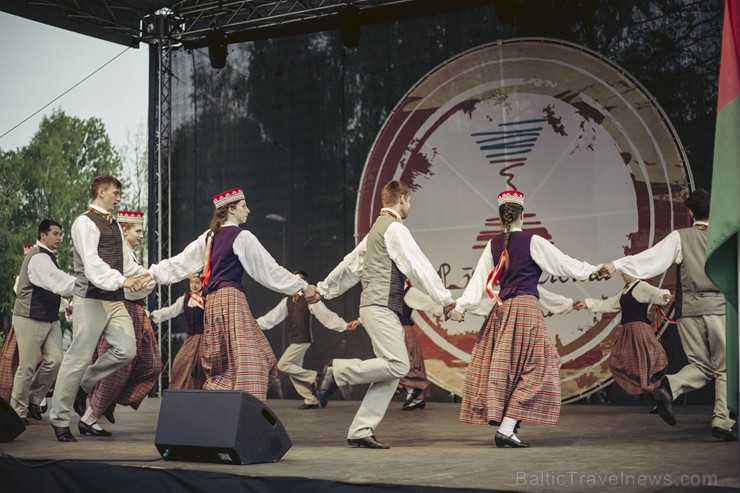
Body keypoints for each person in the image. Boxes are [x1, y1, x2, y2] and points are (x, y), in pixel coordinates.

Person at [312, 180, 455, 449]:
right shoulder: (395, 230)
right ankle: (337, 373)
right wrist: (445, 300)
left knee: (390, 371)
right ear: (402, 198)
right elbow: (419, 267)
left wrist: (324, 289)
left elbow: (350, 266)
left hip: (374, 307)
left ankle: (361, 430)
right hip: (380, 307)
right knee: (399, 365)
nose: (409, 206)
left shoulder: (375, 232)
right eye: (409, 201)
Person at [451, 190, 599, 448]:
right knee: (539, 367)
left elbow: (477, 284)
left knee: (510, 369)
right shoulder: (533, 241)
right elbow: (565, 265)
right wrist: (595, 270)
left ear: (501, 216)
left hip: (503, 310)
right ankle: (507, 427)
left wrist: (461, 307)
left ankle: (508, 425)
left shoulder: (493, 244)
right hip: (527, 309)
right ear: (523, 214)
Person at [144, 187, 319, 401]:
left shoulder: (209, 237)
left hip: (214, 304)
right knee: (251, 359)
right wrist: (302, 286)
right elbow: (269, 271)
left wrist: (151, 274)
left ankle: (223, 407)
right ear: (231, 209)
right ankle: (245, 410)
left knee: (223, 363)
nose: (249, 210)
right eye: (244, 206)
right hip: (231, 300)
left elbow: (180, 262)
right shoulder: (241, 236)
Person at [599, 189, 737, 442]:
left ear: (691, 212)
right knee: (725, 370)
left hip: (689, 312)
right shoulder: (726, 237)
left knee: (701, 366)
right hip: (719, 309)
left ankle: (668, 387)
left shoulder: (680, 237)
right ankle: (721, 421)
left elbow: (650, 261)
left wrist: (617, 264)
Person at [50, 175, 149, 442]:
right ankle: (59, 419)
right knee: (77, 358)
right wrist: (123, 280)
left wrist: (146, 276)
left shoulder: (114, 224)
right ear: (101, 191)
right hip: (91, 298)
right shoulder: (84, 222)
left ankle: (85, 384)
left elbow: (124, 265)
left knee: (127, 350)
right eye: (115, 193)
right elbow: (93, 265)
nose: (118, 197)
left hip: (115, 300)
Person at [81, 211, 161, 434]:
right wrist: (154, 276)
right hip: (124, 310)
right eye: (138, 231)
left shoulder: (129, 254)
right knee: (118, 368)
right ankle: (90, 417)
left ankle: (107, 402)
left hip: (137, 311)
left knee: (151, 365)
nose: (141, 235)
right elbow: (136, 284)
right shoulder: (121, 254)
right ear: (124, 230)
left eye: (142, 231)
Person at [256, 270, 360, 409]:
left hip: (302, 339)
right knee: (295, 371)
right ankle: (311, 400)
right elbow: (272, 317)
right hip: (294, 339)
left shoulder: (309, 299)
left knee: (283, 365)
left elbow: (325, 315)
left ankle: (314, 377)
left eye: (297, 280)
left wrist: (343, 325)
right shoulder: (287, 300)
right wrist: (254, 324)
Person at [11, 221, 75, 425]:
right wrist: (83, 285)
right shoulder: (38, 256)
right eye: (55, 234)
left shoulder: (48, 257)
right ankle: (16, 413)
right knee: (27, 367)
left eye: (60, 234)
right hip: (29, 317)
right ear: (43, 235)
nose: (59, 238)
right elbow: (55, 280)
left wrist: (65, 305)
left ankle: (33, 400)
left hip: (49, 319)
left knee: (55, 360)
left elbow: (49, 287)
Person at [578, 273, 672, 397]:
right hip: (628, 330)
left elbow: (655, 293)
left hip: (638, 329)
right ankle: (654, 391)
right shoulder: (626, 290)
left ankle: (656, 390)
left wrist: (664, 295)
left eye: (624, 272)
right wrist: (586, 304)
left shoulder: (641, 286)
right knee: (620, 362)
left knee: (644, 361)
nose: (622, 275)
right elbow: (609, 304)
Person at [150, 275, 207, 390]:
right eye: (192, 283)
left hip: (204, 338)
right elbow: (171, 311)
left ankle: (205, 392)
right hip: (190, 338)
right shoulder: (185, 299)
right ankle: (180, 392)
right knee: (180, 363)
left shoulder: (207, 299)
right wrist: (154, 315)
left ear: (202, 284)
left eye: (197, 283)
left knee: (202, 366)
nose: (194, 285)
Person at [0, 245, 35, 403]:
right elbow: (20, 290)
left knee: (37, 362)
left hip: (40, 323)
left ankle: (32, 400)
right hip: (22, 324)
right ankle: (17, 402)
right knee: (19, 363)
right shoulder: (20, 278)